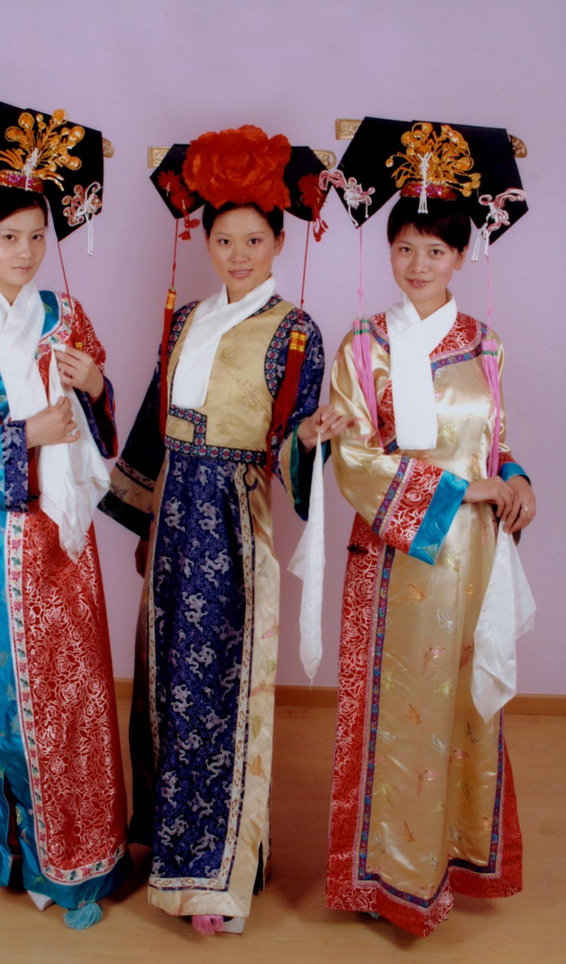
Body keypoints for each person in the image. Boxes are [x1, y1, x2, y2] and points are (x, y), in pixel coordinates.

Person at [100, 125, 348, 934]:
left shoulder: (296, 330)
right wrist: (143, 519)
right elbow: (152, 422)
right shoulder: (184, 322)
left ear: (279, 241)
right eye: (224, 239)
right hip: (173, 517)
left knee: (217, 688)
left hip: (232, 524)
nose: (238, 254)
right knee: (161, 678)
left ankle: (214, 872)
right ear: (204, 241)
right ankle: (161, 837)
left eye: (254, 240)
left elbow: (291, 437)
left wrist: (309, 437)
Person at [0, 103, 132, 928]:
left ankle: (94, 850)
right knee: (24, 698)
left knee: (82, 691)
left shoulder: (66, 317)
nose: (26, 251)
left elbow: (103, 416)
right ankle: (40, 861)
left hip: (71, 539)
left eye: (38, 236)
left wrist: (94, 386)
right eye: (9, 236)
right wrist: (22, 437)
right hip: (9, 543)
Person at [325, 121, 536, 936]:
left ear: (461, 256)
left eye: (436, 252)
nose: (418, 265)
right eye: (405, 248)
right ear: (390, 251)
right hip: (395, 559)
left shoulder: (485, 345)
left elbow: (495, 443)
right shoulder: (365, 345)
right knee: (398, 714)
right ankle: (391, 881)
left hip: (472, 560)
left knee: (459, 714)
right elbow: (353, 456)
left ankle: (448, 860)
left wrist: (516, 480)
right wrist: (459, 491)